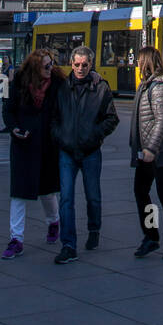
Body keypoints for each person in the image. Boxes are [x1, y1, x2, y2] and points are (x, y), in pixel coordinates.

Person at [51, 45, 119, 263]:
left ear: (91, 65)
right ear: (71, 64)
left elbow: (112, 118)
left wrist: (95, 135)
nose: (80, 68)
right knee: (66, 198)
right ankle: (68, 245)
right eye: (77, 64)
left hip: (90, 151)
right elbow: (54, 117)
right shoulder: (62, 88)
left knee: (93, 196)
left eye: (84, 65)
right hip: (67, 151)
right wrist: (60, 136)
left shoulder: (101, 88)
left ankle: (94, 229)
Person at [1, 49, 64, 259]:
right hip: (24, 144)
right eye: (46, 66)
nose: (50, 68)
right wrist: (14, 128)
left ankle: (53, 222)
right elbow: (8, 109)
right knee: (19, 193)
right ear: (35, 68)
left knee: (47, 190)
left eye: (51, 64)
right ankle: (16, 239)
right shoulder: (19, 81)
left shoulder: (57, 83)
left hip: (48, 144)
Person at [130, 45, 163, 259]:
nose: (136, 65)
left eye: (138, 61)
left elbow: (162, 121)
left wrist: (151, 148)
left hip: (162, 151)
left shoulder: (159, 87)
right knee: (142, 191)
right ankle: (151, 235)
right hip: (147, 151)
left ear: (146, 62)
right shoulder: (147, 84)